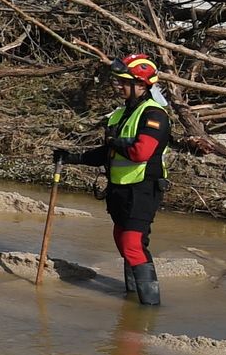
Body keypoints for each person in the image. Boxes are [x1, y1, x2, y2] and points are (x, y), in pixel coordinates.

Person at [57, 53, 171, 306]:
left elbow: (140, 152)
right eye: (117, 80)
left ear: (141, 84)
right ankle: (130, 300)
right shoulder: (120, 115)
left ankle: (149, 309)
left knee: (132, 244)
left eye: (123, 81)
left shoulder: (154, 115)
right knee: (122, 240)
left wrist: (115, 142)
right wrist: (72, 157)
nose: (117, 85)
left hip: (143, 189)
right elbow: (107, 152)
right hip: (119, 190)